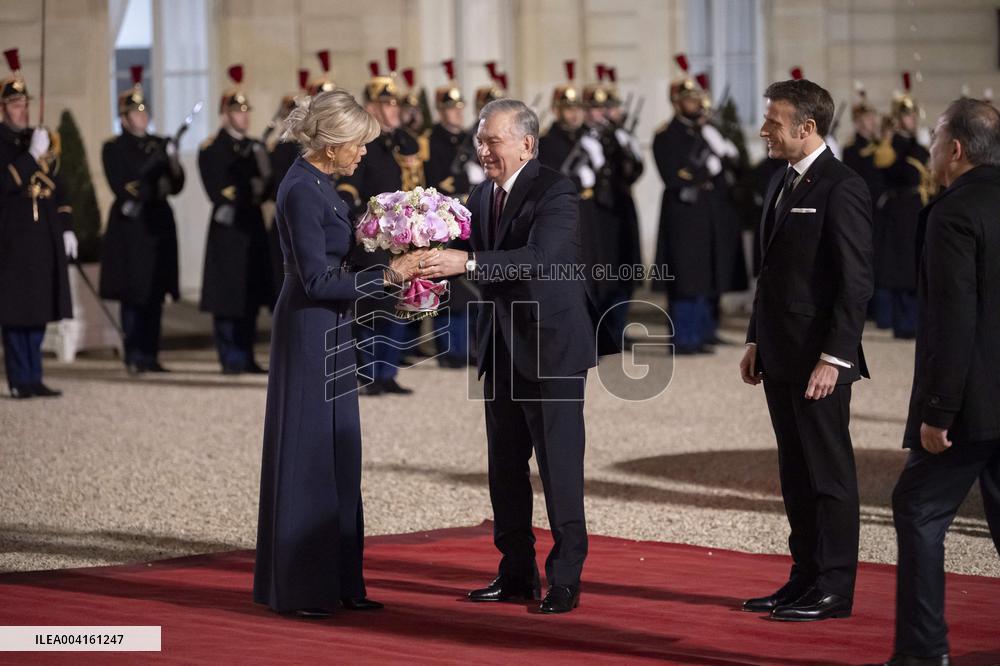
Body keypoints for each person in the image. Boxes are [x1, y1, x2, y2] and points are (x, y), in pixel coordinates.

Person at [419, 98, 618, 614]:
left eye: (493, 140)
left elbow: (541, 260)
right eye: (479, 140)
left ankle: (566, 578)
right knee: (504, 469)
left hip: (551, 347)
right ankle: (516, 573)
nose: (483, 149)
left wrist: (468, 261)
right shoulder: (482, 194)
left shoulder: (557, 189)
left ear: (527, 143)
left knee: (559, 469)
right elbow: (458, 250)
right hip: (501, 348)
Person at [253, 88, 425, 618]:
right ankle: (303, 588)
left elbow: (346, 254)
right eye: (359, 144)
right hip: (309, 326)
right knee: (310, 452)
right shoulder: (301, 189)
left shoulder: (324, 184)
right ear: (331, 145)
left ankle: (342, 580)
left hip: (334, 326)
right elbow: (319, 278)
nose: (365, 154)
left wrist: (397, 236)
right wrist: (388, 275)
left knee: (339, 452)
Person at [739, 78, 873, 622]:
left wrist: (835, 358)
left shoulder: (842, 187)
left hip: (820, 362)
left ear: (806, 128)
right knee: (795, 473)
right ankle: (803, 578)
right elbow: (771, 273)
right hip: (779, 353)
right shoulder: (780, 180)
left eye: (772, 121)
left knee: (829, 475)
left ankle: (835, 588)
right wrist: (754, 338)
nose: (764, 129)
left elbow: (855, 281)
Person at [884, 98, 1000, 666]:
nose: (928, 151)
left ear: (955, 150)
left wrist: (937, 410)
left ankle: (922, 653)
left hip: (973, 406)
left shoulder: (952, 213)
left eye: (933, 141)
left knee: (918, 507)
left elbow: (952, 320)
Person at [337, 50, 423, 396]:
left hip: (405, 237)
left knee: (399, 305)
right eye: (386, 104)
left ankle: (387, 371)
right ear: (371, 107)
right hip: (374, 237)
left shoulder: (402, 141)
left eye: (395, 104)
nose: (394, 109)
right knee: (372, 305)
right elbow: (349, 186)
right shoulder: (363, 143)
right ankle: (367, 373)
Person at [652, 55, 741, 355]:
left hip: (708, 212)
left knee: (707, 273)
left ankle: (704, 331)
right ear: (677, 102)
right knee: (687, 276)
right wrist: (705, 170)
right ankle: (684, 337)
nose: (698, 105)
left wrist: (723, 152)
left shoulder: (703, 130)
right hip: (684, 213)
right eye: (691, 100)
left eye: (699, 99)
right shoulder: (666, 135)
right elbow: (673, 175)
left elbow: (733, 168)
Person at [99, 65, 184, 374]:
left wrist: (172, 160)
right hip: (131, 230)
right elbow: (124, 186)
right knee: (133, 294)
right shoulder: (113, 148)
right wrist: (153, 169)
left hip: (157, 224)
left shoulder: (159, 143)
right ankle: (133, 353)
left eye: (145, 112)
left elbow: (176, 185)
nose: (143, 117)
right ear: (124, 118)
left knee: (154, 292)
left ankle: (151, 353)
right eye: (136, 113)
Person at [0, 48, 75, 399]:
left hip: (42, 236)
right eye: (15, 105)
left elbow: (62, 188)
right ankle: (18, 378)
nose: (23, 110)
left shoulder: (38, 139)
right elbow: (6, 182)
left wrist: (68, 225)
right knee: (16, 310)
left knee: (38, 308)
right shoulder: (9, 144)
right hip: (12, 237)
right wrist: (31, 155)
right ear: (3, 109)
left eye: (25, 104)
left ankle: (34, 375)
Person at [198, 65, 273, 374]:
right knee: (228, 294)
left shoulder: (254, 146)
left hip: (251, 225)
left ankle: (247, 354)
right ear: (225, 114)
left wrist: (263, 170)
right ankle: (230, 357)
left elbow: (267, 185)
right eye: (237, 112)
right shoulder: (213, 148)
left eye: (246, 111)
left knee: (250, 293)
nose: (244, 117)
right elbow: (219, 190)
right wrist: (249, 185)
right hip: (228, 228)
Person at [874, 73, 935, 339]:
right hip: (900, 210)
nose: (912, 120)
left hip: (917, 208)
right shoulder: (894, 145)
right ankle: (903, 322)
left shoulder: (915, 144)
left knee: (915, 266)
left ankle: (914, 319)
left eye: (913, 116)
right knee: (901, 268)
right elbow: (889, 168)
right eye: (907, 116)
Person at [423, 60, 475, 369]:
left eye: (459, 107)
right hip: (442, 219)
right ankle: (449, 349)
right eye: (450, 108)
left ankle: (468, 345)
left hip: (467, 217)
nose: (456, 113)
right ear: (440, 110)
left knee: (469, 280)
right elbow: (429, 179)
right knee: (446, 283)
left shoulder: (469, 139)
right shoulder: (430, 141)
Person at [841, 86, 889, 328]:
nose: (873, 123)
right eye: (868, 119)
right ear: (859, 122)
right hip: (863, 211)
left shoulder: (880, 145)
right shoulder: (852, 149)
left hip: (881, 212)